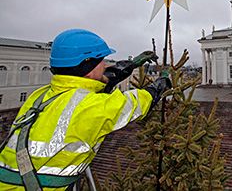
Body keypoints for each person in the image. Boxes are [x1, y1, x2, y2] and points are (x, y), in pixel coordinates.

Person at [0, 29, 171, 190]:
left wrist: (131, 64)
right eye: (101, 60)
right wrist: (162, 83)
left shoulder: (39, 96)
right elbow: (139, 102)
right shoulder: (93, 107)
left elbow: (93, 82)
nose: (105, 65)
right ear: (87, 66)